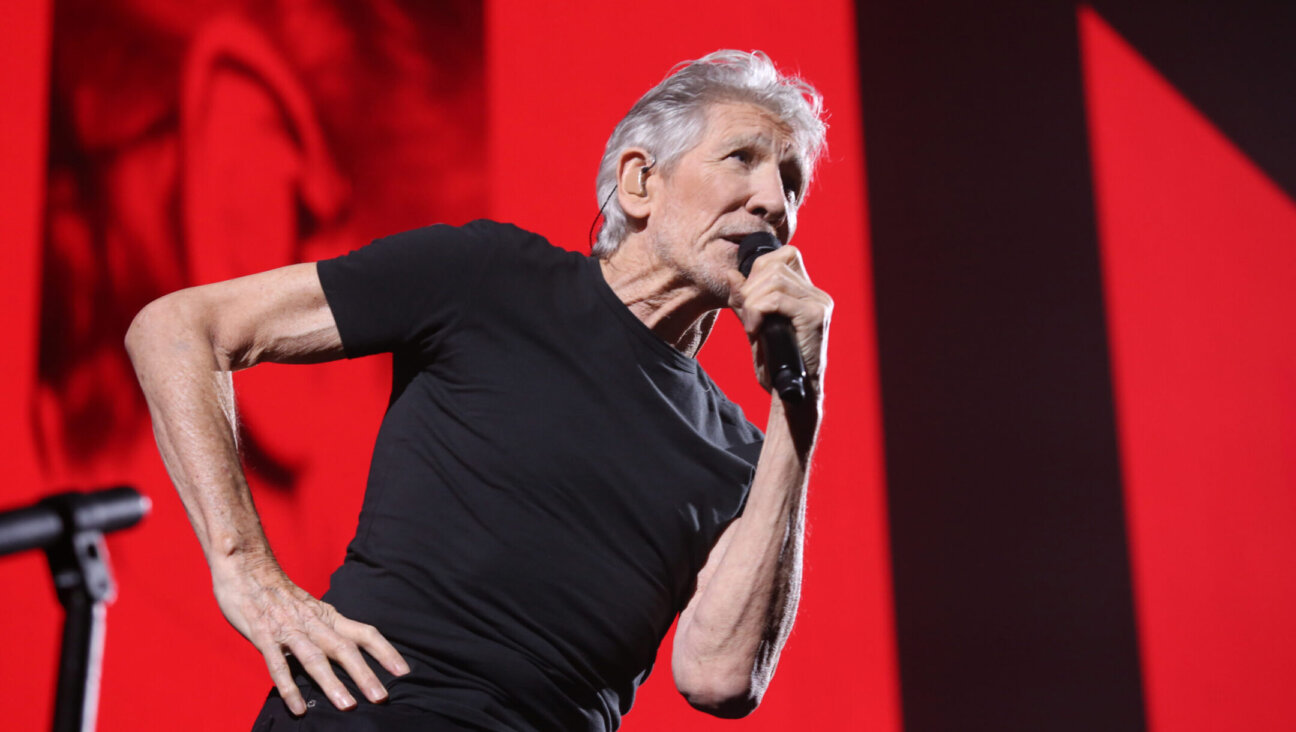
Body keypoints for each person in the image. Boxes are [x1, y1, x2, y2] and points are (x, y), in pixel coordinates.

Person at [126, 49, 832, 730]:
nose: (773, 200)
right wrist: (246, 569)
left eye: (791, 181)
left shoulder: (740, 453)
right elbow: (178, 329)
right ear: (641, 182)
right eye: (743, 158)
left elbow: (719, 676)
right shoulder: (490, 278)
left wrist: (799, 410)